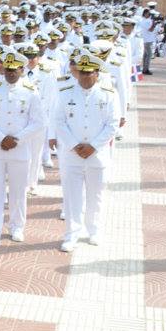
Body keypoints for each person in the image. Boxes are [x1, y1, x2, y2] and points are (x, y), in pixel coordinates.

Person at [51, 53, 119, 252]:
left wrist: (93, 146)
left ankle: (94, 230)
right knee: (72, 197)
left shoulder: (108, 94)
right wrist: (74, 144)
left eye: (89, 74)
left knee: (95, 195)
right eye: (82, 73)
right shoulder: (65, 93)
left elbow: (112, 124)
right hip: (72, 154)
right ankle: (71, 234)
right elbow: (59, 121)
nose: (85, 78)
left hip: (97, 155)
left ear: (97, 74)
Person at [0, 50, 43, 249]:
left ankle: (17, 227)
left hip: (20, 149)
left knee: (18, 192)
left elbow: (39, 122)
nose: (11, 73)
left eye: (15, 70)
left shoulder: (31, 91)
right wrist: (1, 138)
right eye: (7, 69)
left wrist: (17, 139)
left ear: (22, 70)